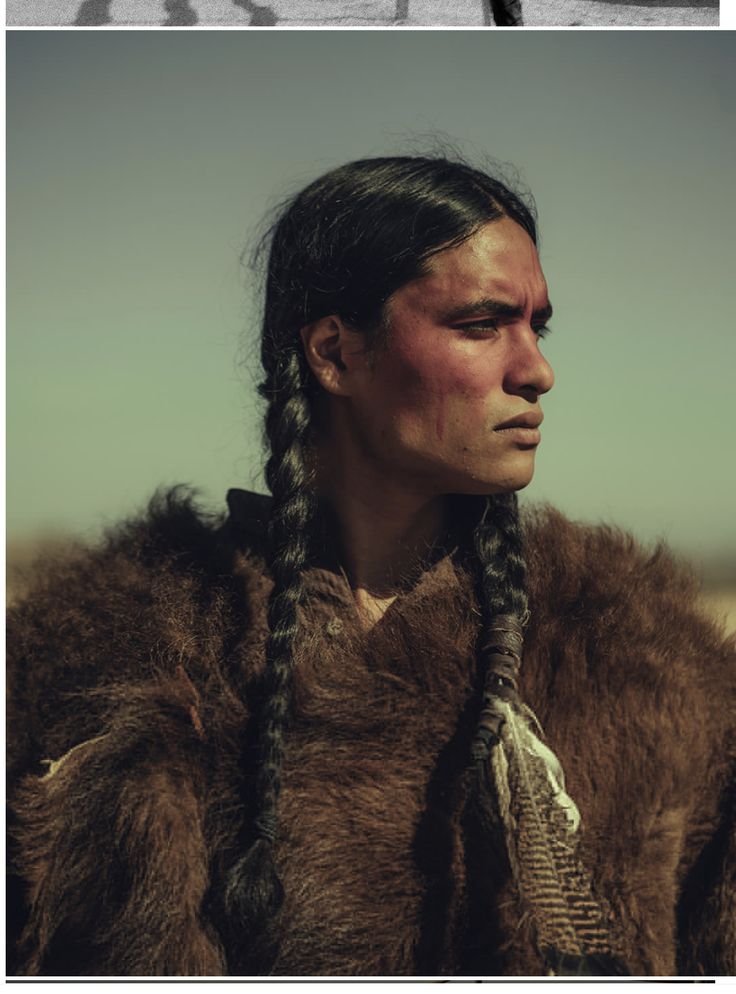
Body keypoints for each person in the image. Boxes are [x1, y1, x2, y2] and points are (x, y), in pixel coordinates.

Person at [7, 155, 735, 978]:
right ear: (335, 352)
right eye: (482, 323)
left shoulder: (649, 667)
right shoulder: (111, 664)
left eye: (539, 326)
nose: (536, 369)